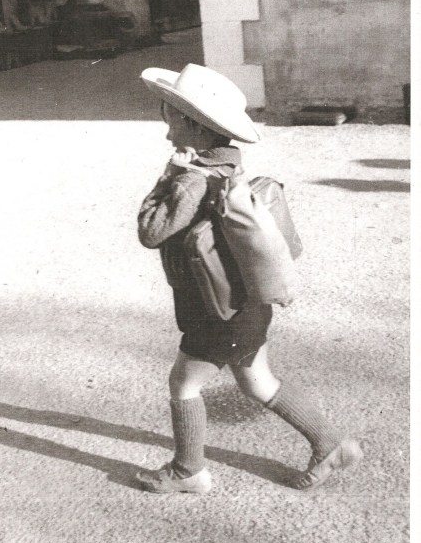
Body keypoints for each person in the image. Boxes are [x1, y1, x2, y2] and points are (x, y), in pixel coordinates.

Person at [136, 63, 363, 494]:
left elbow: (150, 231)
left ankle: (189, 471)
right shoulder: (229, 169)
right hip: (246, 305)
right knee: (257, 381)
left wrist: (169, 174)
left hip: (214, 313)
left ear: (191, 124)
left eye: (169, 115)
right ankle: (328, 444)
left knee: (183, 384)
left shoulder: (192, 181)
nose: (166, 125)